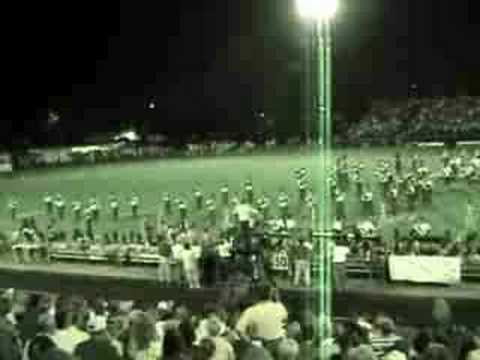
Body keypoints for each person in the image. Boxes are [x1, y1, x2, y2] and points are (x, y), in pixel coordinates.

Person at [236, 283, 288, 356]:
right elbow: (285, 323)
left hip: (260, 347)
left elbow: (239, 330)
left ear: (256, 295)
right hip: (276, 346)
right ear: (270, 294)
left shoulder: (251, 311)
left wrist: (250, 344)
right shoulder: (280, 307)